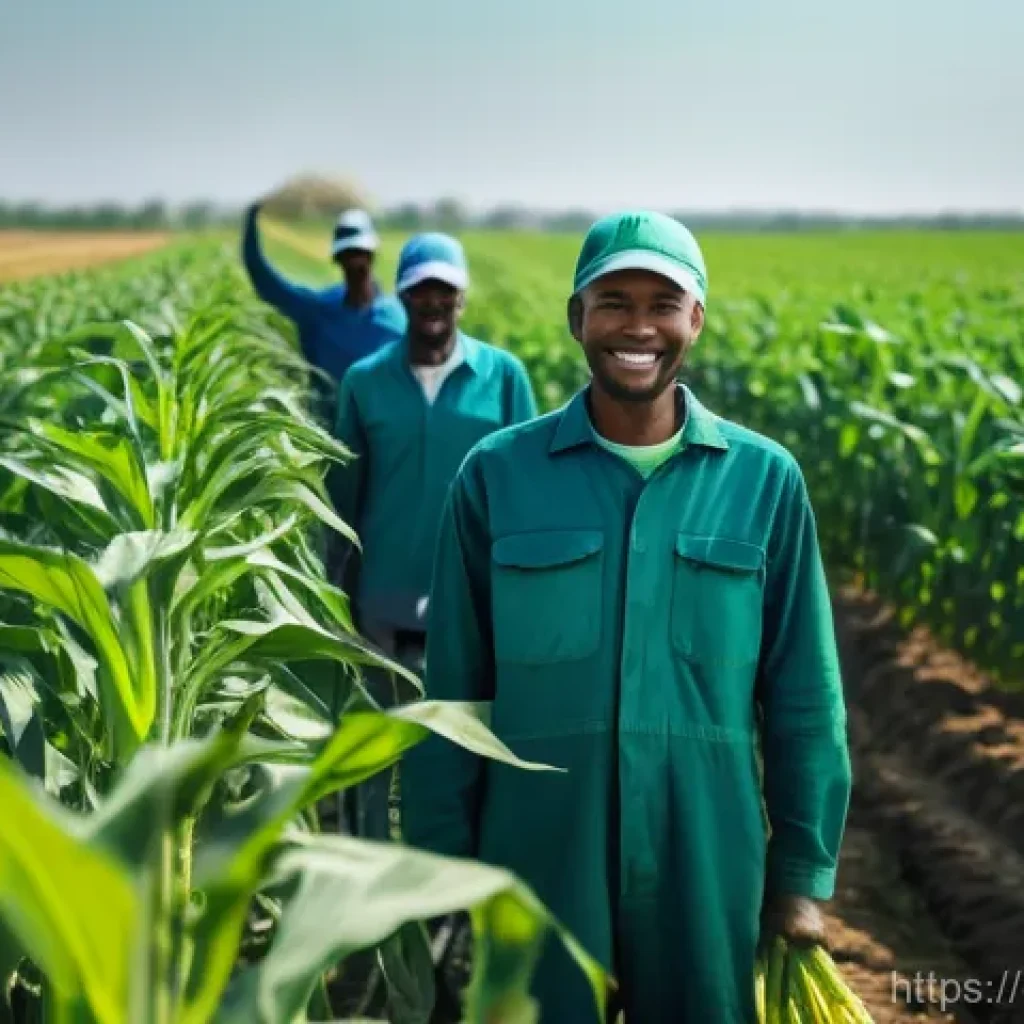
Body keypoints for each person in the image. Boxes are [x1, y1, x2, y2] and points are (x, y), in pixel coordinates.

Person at [402, 211, 853, 1023]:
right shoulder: (496, 478)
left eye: (662, 302)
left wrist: (799, 879)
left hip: (704, 859)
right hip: (537, 857)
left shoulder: (764, 482)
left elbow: (804, 699)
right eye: (613, 301)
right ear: (577, 318)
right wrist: (440, 863)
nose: (637, 326)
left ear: (696, 320)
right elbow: (453, 696)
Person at [328, 230, 539, 838]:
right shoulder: (364, 382)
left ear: (461, 298)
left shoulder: (502, 378)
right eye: (421, 290)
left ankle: (452, 893)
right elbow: (345, 497)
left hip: (472, 607)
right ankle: (369, 868)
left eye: (445, 290)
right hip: (381, 607)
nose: (433, 302)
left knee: (461, 753)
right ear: (403, 296)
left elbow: (525, 495)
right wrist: (335, 590)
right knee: (374, 748)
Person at [240, 202, 406, 410]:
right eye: (348, 255)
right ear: (338, 259)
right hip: (328, 430)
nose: (355, 263)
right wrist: (252, 216)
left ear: (371, 256)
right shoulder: (319, 311)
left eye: (360, 253)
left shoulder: (397, 320)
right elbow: (265, 281)